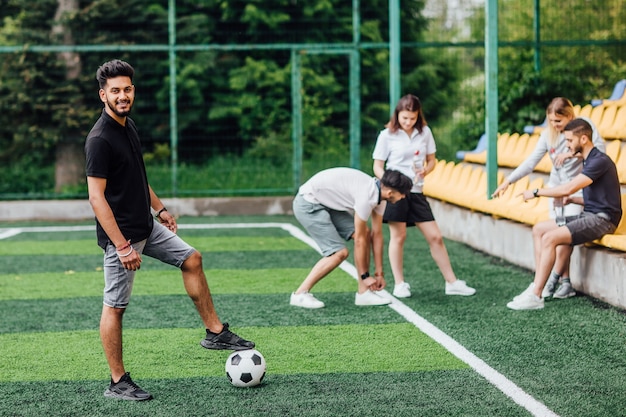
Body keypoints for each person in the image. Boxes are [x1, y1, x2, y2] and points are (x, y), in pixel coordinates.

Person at [85, 59, 254, 401]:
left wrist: (159, 209)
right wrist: (121, 246)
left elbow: (137, 177)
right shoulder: (99, 139)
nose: (123, 96)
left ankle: (215, 332)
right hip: (123, 237)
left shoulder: (128, 126)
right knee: (115, 306)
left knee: (192, 259)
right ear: (103, 95)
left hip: (146, 224)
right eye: (115, 91)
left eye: (127, 89)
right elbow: (96, 198)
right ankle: (117, 382)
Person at [493, 97, 606, 300]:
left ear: (570, 116)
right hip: (556, 189)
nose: (554, 125)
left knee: (563, 236)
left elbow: (598, 153)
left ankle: (550, 284)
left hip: (575, 191)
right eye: (551, 120)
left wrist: (570, 156)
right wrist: (508, 181)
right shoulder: (548, 136)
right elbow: (530, 162)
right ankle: (550, 281)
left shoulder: (582, 127)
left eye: (559, 121)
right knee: (548, 233)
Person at [506, 118, 621, 310]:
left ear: (583, 139)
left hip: (602, 220)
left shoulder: (599, 161)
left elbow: (567, 188)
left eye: (569, 141)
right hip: (591, 216)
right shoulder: (589, 160)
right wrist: (574, 200)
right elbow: (599, 198)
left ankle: (537, 296)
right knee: (540, 229)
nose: (566, 145)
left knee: (551, 238)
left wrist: (536, 192)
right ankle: (537, 285)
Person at [372, 94, 476, 298]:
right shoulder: (387, 135)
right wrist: (391, 183)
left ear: (418, 116)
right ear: (397, 116)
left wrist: (425, 171)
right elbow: (377, 166)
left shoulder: (425, 132)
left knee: (435, 237)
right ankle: (400, 283)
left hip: (417, 191)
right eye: (404, 118)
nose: (408, 122)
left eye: (412, 118)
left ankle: (452, 282)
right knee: (398, 236)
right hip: (395, 193)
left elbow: (432, 160)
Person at [290, 167, 413, 308]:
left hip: (326, 203)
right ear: (390, 192)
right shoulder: (366, 197)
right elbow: (360, 241)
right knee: (339, 253)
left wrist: (379, 273)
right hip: (309, 203)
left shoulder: (381, 196)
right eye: (403, 194)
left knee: (366, 233)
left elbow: (376, 235)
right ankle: (299, 294)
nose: (404, 197)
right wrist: (365, 276)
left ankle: (363, 294)